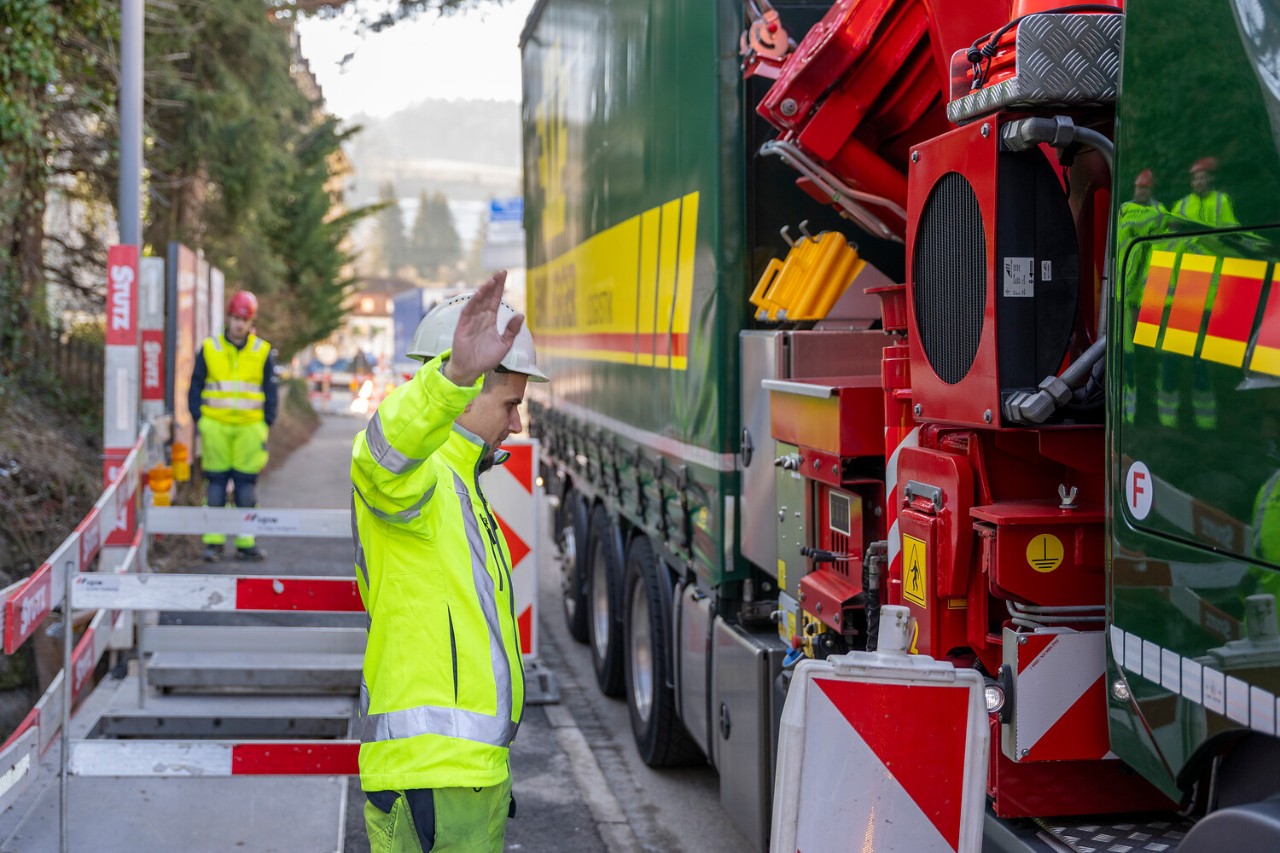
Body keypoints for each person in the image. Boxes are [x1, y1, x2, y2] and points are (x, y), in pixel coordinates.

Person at [350, 270, 548, 852]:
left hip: (460, 774)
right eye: (511, 404)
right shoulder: (423, 475)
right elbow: (378, 457)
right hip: (433, 775)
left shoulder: (458, 478)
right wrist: (453, 378)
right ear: (465, 395)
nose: (516, 422)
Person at [188, 290, 277, 562]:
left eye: (244, 319)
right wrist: (200, 419)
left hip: (250, 429)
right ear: (228, 318)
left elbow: (271, 392)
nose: (239, 324)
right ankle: (213, 544)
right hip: (215, 427)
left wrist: (266, 424)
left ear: (251, 322)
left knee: (245, 487)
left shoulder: (262, 351)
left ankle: (245, 543)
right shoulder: (210, 348)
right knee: (215, 485)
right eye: (235, 318)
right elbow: (195, 386)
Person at [1117, 169, 1167, 423]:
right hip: (1126, 300)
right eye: (1138, 187)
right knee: (1129, 361)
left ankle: (1149, 412)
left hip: (1147, 298)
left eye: (1145, 188)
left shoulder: (1159, 214)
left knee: (1150, 359)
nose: (1141, 192)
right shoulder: (1124, 211)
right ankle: (1130, 415)